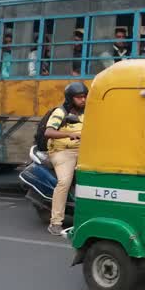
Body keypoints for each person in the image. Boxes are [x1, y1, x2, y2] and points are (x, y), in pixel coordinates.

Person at [45, 82, 87, 235]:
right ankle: (55, 222)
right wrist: (69, 134)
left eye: (84, 97)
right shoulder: (60, 112)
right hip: (62, 151)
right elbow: (48, 132)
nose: (83, 100)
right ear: (70, 98)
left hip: (84, 150)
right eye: (79, 97)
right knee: (64, 182)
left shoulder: (87, 112)